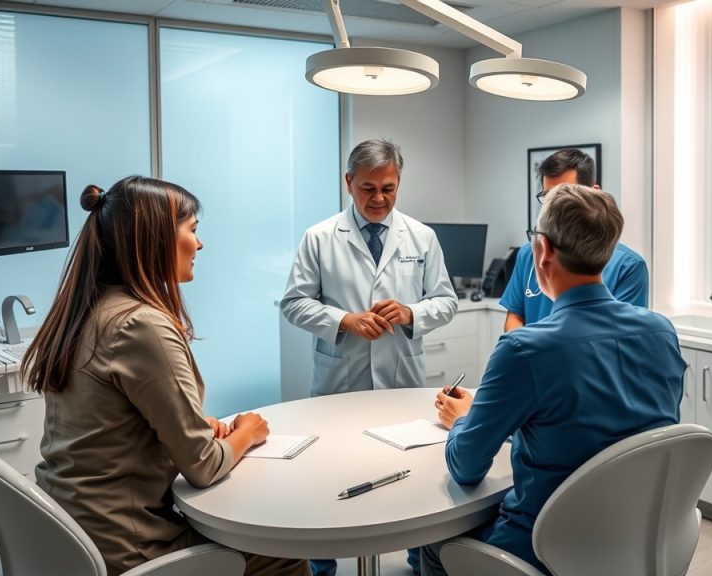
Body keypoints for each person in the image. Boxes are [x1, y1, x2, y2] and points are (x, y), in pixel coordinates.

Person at [25, 176, 310, 576]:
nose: (200, 244)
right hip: (128, 547)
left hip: (70, 531)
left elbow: (109, 426)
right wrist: (249, 431)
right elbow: (204, 467)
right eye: (192, 231)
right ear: (156, 238)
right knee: (283, 554)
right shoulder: (140, 325)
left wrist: (191, 428)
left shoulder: (89, 309)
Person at [421, 183, 686, 576]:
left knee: (432, 544)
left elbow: (466, 466)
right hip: (633, 536)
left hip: (543, 543)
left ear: (541, 251)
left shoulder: (524, 349)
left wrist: (463, 418)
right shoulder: (662, 333)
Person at [280, 139, 458, 576]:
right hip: (339, 381)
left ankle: (418, 561)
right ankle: (321, 568)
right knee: (330, 477)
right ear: (348, 184)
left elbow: (447, 301)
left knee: (412, 476)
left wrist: (411, 311)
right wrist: (344, 321)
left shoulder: (422, 236)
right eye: (367, 189)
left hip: (403, 377)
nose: (379, 199)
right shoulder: (320, 237)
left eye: (388, 188)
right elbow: (293, 302)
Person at [500, 148, 649, 332]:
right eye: (549, 197)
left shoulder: (627, 266)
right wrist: (524, 350)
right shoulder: (528, 254)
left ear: (594, 193)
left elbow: (622, 337)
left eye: (565, 195)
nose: (555, 207)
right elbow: (514, 316)